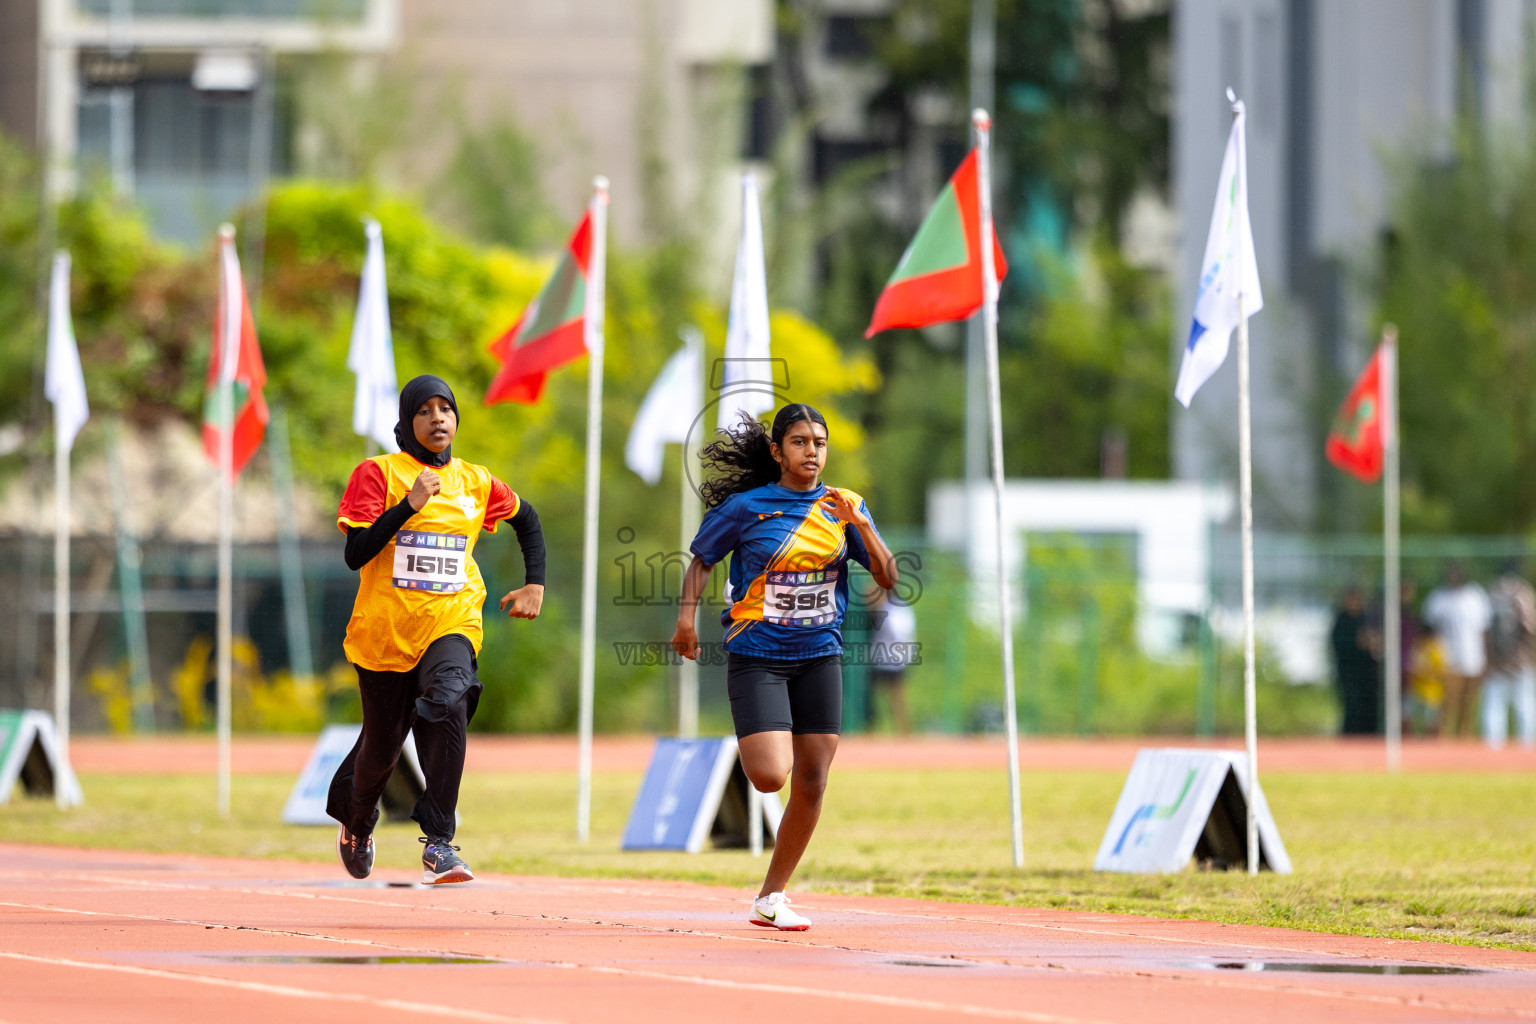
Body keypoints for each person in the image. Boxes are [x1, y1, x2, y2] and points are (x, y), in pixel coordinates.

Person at [671, 404, 897, 931]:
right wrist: (686, 622)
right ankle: (769, 886)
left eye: (819, 442)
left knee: (813, 780)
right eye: (799, 442)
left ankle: (772, 896)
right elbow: (702, 558)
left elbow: (887, 577)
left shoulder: (845, 508)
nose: (811, 451)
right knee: (771, 776)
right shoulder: (747, 507)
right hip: (758, 656)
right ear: (777, 451)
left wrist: (860, 522)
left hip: (821, 653)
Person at [328, 375, 546, 884]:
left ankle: (440, 842)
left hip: (452, 621)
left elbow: (527, 519)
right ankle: (357, 823)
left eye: (445, 408)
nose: (437, 418)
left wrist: (535, 583)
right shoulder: (378, 474)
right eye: (424, 410)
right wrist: (408, 506)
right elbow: (355, 554)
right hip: (384, 634)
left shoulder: (476, 481)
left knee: (450, 701)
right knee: (380, 751)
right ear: (407, 422)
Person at [1421, 561, 1490, 739]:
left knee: (1469, 707)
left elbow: (1484, 630)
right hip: (1447, 661)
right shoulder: (1438, 598)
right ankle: (1445, 740)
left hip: (1474, 660)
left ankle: (1466, 740)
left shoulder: (1476, 596)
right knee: (1447, 706)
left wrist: (1487, 657)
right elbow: (1428, 629)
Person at [1482, 560, 1536, 748]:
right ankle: (1521, 749)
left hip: (1508, 660)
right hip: (1514, 661)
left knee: (1502, 706)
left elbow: (1486, 631)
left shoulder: (1495, 592)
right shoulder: (1521, 592)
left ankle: (1499, 748)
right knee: (1521, 706)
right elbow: (1529, 629)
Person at [864, 584, 915, 733]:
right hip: (885, 659)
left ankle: (903, 730)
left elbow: (899, 632)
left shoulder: (892, 609)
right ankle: (873, 728)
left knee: (896, 697)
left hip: (893, 659)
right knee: (874, 696)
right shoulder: (891, 608)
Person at [1329, 586, 1381, 735]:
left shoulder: (1366, 618)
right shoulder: (1341, 621)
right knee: (1352, 711)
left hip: (1368, 675)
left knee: (1370, 710)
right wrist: (1358, 642)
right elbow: (1340, 644)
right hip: (1349, 675)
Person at [1406, 621, 1448, 736]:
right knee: (1408, 719)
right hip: (1417, 690)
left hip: (1432, 692)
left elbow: (1442, 672)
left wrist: (1425, 674)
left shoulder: (1437, 649)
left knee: (1432, 723)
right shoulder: (1418, 647)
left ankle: (1433, 748)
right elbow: (1412, 667)